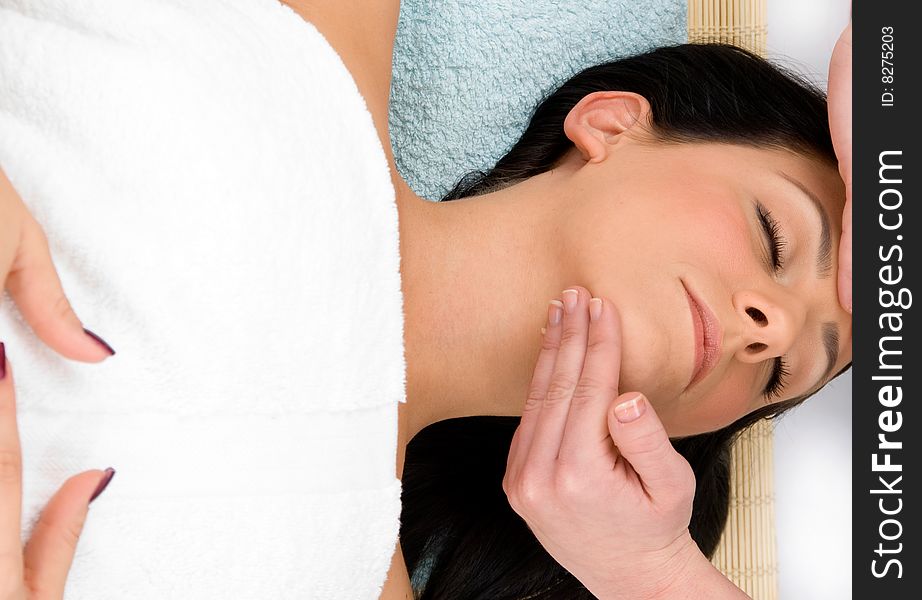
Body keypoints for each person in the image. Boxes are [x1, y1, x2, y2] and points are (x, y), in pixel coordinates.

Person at [0, 3, 852, 599]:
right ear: (614, 123)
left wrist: (655, 576)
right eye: (775, 235)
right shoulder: (319, 36)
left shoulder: (340, 568)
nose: (768, 326)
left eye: (782, 372)